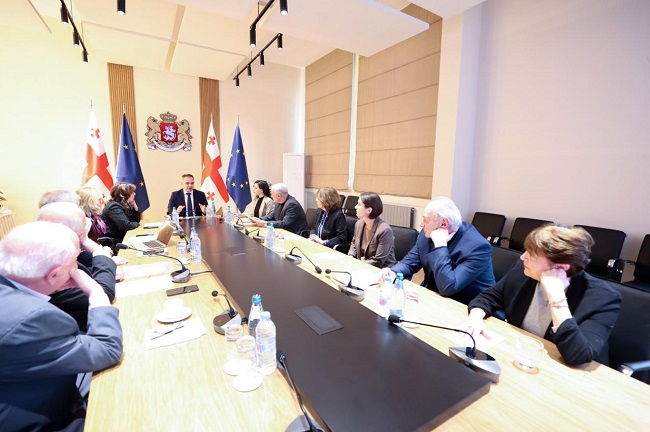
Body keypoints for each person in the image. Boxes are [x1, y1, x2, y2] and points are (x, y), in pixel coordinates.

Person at [0, 221, 123, 432]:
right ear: (54, 275)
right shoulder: (30, 318)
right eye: (74, 263)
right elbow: (107, 349)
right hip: (48, 420)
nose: (77, 269)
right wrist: (96, 293)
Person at [465, 225, 621, 366]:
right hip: (523, 356)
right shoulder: (523, 270)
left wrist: (556, 296)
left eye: (531, 254)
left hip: (573, 375)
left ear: (561, 268)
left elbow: (578, 356)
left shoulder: (603, 298)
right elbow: (488, 298)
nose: (522, 257)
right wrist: (475, 319)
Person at [381, 197, 494, 305]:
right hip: (435, 297)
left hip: (466, 306)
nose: (421, 224)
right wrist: (393, 272)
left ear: (444, 223)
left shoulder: (478, 247)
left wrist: (440, 246)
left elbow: (448, 287)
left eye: (426, 220)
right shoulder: (426, 234)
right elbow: (408, 264)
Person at [38, 202, 117, 332]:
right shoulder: (51, 263)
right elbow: (104, 294)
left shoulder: (50, 252)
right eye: (84, 224)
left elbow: (84, 273)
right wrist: (102, 261)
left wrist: (103, 272)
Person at [349, 192, 396, 268]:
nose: (355, 207)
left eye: (359, 204)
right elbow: (354, 243)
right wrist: (351, 256)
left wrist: (359, 264)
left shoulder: (384, 230)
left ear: (369, 210)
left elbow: (379, 260)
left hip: (381, 269)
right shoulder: (359, 224)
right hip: (362, 265)